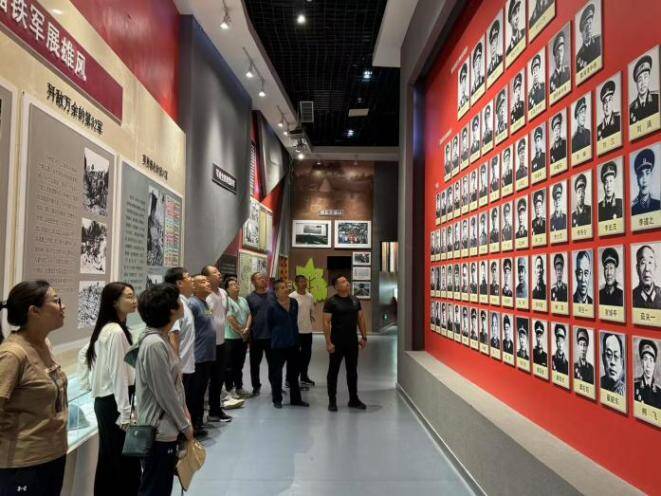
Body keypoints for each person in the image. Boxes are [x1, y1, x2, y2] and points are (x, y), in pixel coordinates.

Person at [0, 281, 68, 496]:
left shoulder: (44, 344)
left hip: (52, 457)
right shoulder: (13, 354)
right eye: (56, 301)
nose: (63, 306)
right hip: (23, 466)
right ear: (34, 311)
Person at [134, 283, 194, 496]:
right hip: (158, 431)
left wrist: (184, 413)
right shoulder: (154, 344)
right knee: (155, 488)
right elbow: (165, 392)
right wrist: (185, 425)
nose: (181, 304)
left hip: (166, 427)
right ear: (170, 309)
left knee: (161, 486)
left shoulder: (161, 339)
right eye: (177, 301)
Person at [86, 282, 140, 496]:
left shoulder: (112, 329)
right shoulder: (115, 331)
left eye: (134, 295)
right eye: (128, 296)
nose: (134, 300)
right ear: (114, 302)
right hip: (115, 404)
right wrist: (125, 413)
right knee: (118, 462)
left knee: (113, 460)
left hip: (112, 402)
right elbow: (118, 374)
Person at [323, 276, 367, 412]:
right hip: (337, 342)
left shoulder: (355, 300)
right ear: (336, 286)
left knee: (352, 371)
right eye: (342, 282)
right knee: (333, 371)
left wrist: (364, 337)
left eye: (347, 281)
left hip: (352, 341)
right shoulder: (331, 302)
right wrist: (328, 342)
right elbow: (326, 322)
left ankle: (353, 399)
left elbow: (360, 318)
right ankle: (332, 401)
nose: (347, 283)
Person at [189, 275, 223, 437]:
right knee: (195, 392)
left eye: (207, 281)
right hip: (198, 356)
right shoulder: (192, 304)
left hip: (208, 355)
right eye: (202, 282)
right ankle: (193, 426)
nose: (207, 283)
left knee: (202, 391)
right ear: (194, 287)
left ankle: (199, 422)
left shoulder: (205, 303)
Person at [267, 280, 308, 409]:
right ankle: (277, 399)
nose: (286, 289)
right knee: (277, 373)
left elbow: (294, 321)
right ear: (276, 292)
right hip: (278, 344)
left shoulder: (294, 302)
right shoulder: (272, 306)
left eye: (286, 287)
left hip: (293, 342)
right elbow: (269, 324)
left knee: (294, 373)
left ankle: (296, 399)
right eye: (282, 288)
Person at [164, 268, 196, 417]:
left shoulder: (185, 303)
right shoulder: (175, 304)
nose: (192, 279)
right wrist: (176, 368)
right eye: (188, 277)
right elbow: (173, 336)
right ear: (179, 283)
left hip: (186, 366)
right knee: (180, 408)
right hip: (180, 368)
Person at [224, 277, 251, 400]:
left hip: (242, 338)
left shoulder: (243, 300)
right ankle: (229, 389)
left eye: (236, 284)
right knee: (229, 366)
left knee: (239, 365)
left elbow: (249, 314)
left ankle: (239, 387)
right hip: (230, 338)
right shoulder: (227, 301)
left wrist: (247, 329)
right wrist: (241, 331)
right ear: (227, 289)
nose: (236, 286)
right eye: (232, 284)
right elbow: (230, 319)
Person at [247, 272, 273, 396]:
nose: (262, 280)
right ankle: (256, 386)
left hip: (272, 336)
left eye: (264, 278)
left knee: (274, 364)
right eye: (259, 278)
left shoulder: (273, 295)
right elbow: (248, 316)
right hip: (256, 336)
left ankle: (275, 386)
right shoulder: (249, 298)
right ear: (253, 282)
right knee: (254, 364)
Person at [290, 275, 316, 386]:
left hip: (307, 331)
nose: (304, 283)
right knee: (296, 357)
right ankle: (291, 379)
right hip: (296, 331)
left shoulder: (310, 296)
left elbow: (311, 310)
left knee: (307, 355)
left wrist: (311, 317)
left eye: (305, 281)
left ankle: (304, 377)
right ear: (296, 284)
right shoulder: (292, 296)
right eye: (301, 281)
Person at [629, 54, 659, 124]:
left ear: (649, 78)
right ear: (636, 83)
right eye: (640, 79)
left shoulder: (657, 99)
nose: (643, 83)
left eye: (645, 77)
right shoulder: (630, 109)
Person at [631, 148, 660, 215]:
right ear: (637, 179)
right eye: (641, 174)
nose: (644, 180)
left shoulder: (658, 205)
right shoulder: (631, 209)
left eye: (647, 173)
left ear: (651, 175)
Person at [634, 339, 661, 408]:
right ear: (641, 362)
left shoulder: (659, 392)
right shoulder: (634, 386)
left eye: (651, 360)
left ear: (654, 364)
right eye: (645, 359)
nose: (648, 365)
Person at [633, 245, 661, 309]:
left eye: (650, 262)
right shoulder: (631, 297)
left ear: (655, 267)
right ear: (637, 269)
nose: (647, 269)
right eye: (643, 263)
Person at [576, 4, 601, 72]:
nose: (589, 28)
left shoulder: (599, 41)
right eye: (587, 25)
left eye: (590, 23)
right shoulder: (578, 57)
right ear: (582, 30)